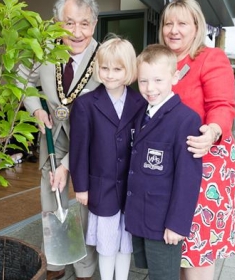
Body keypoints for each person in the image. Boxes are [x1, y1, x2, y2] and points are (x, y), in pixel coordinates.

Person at [158, 1, 235, 279]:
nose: (174, 30)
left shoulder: (210, 57)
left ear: (196, 27)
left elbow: (222, 104)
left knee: (198, 249)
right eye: (168, 23)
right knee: (180, 247)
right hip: (173, 166)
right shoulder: (162, 61)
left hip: (205, 164)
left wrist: (213, 130)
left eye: (182, 23)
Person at [19, 0, 100, 279]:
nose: (77, 32)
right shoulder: (44, 49)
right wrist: (36, 108)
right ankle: (55, 261)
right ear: (57, 24)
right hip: (52, 135)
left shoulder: (104, 57)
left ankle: (85, 268)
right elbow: (22, 79)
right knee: (51, 199)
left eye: (84, 23)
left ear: (94, 24)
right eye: (69, 23)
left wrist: (68, 163)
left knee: (85, 203)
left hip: (90, 143)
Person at [68, 36, 146, 280]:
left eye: (117, 69)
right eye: (105, 68)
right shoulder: (85, 104)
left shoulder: (140, 102)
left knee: (126, 242)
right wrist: (81, 187)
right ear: (97, 68)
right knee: (107, 241)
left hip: (131, 187)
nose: (110, 74)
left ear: (129, 70)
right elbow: (79, 149)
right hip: (102, 186)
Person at [124, 44, 202, 280]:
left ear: (174, 76)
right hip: (142, 213)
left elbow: (188, 177)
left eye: (158, 80)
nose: (150, 88)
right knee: (154, 272)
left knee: (165, 275)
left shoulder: (186, 119)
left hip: (164, 220)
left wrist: (177, 224)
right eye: (144, 81)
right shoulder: (141, 113)